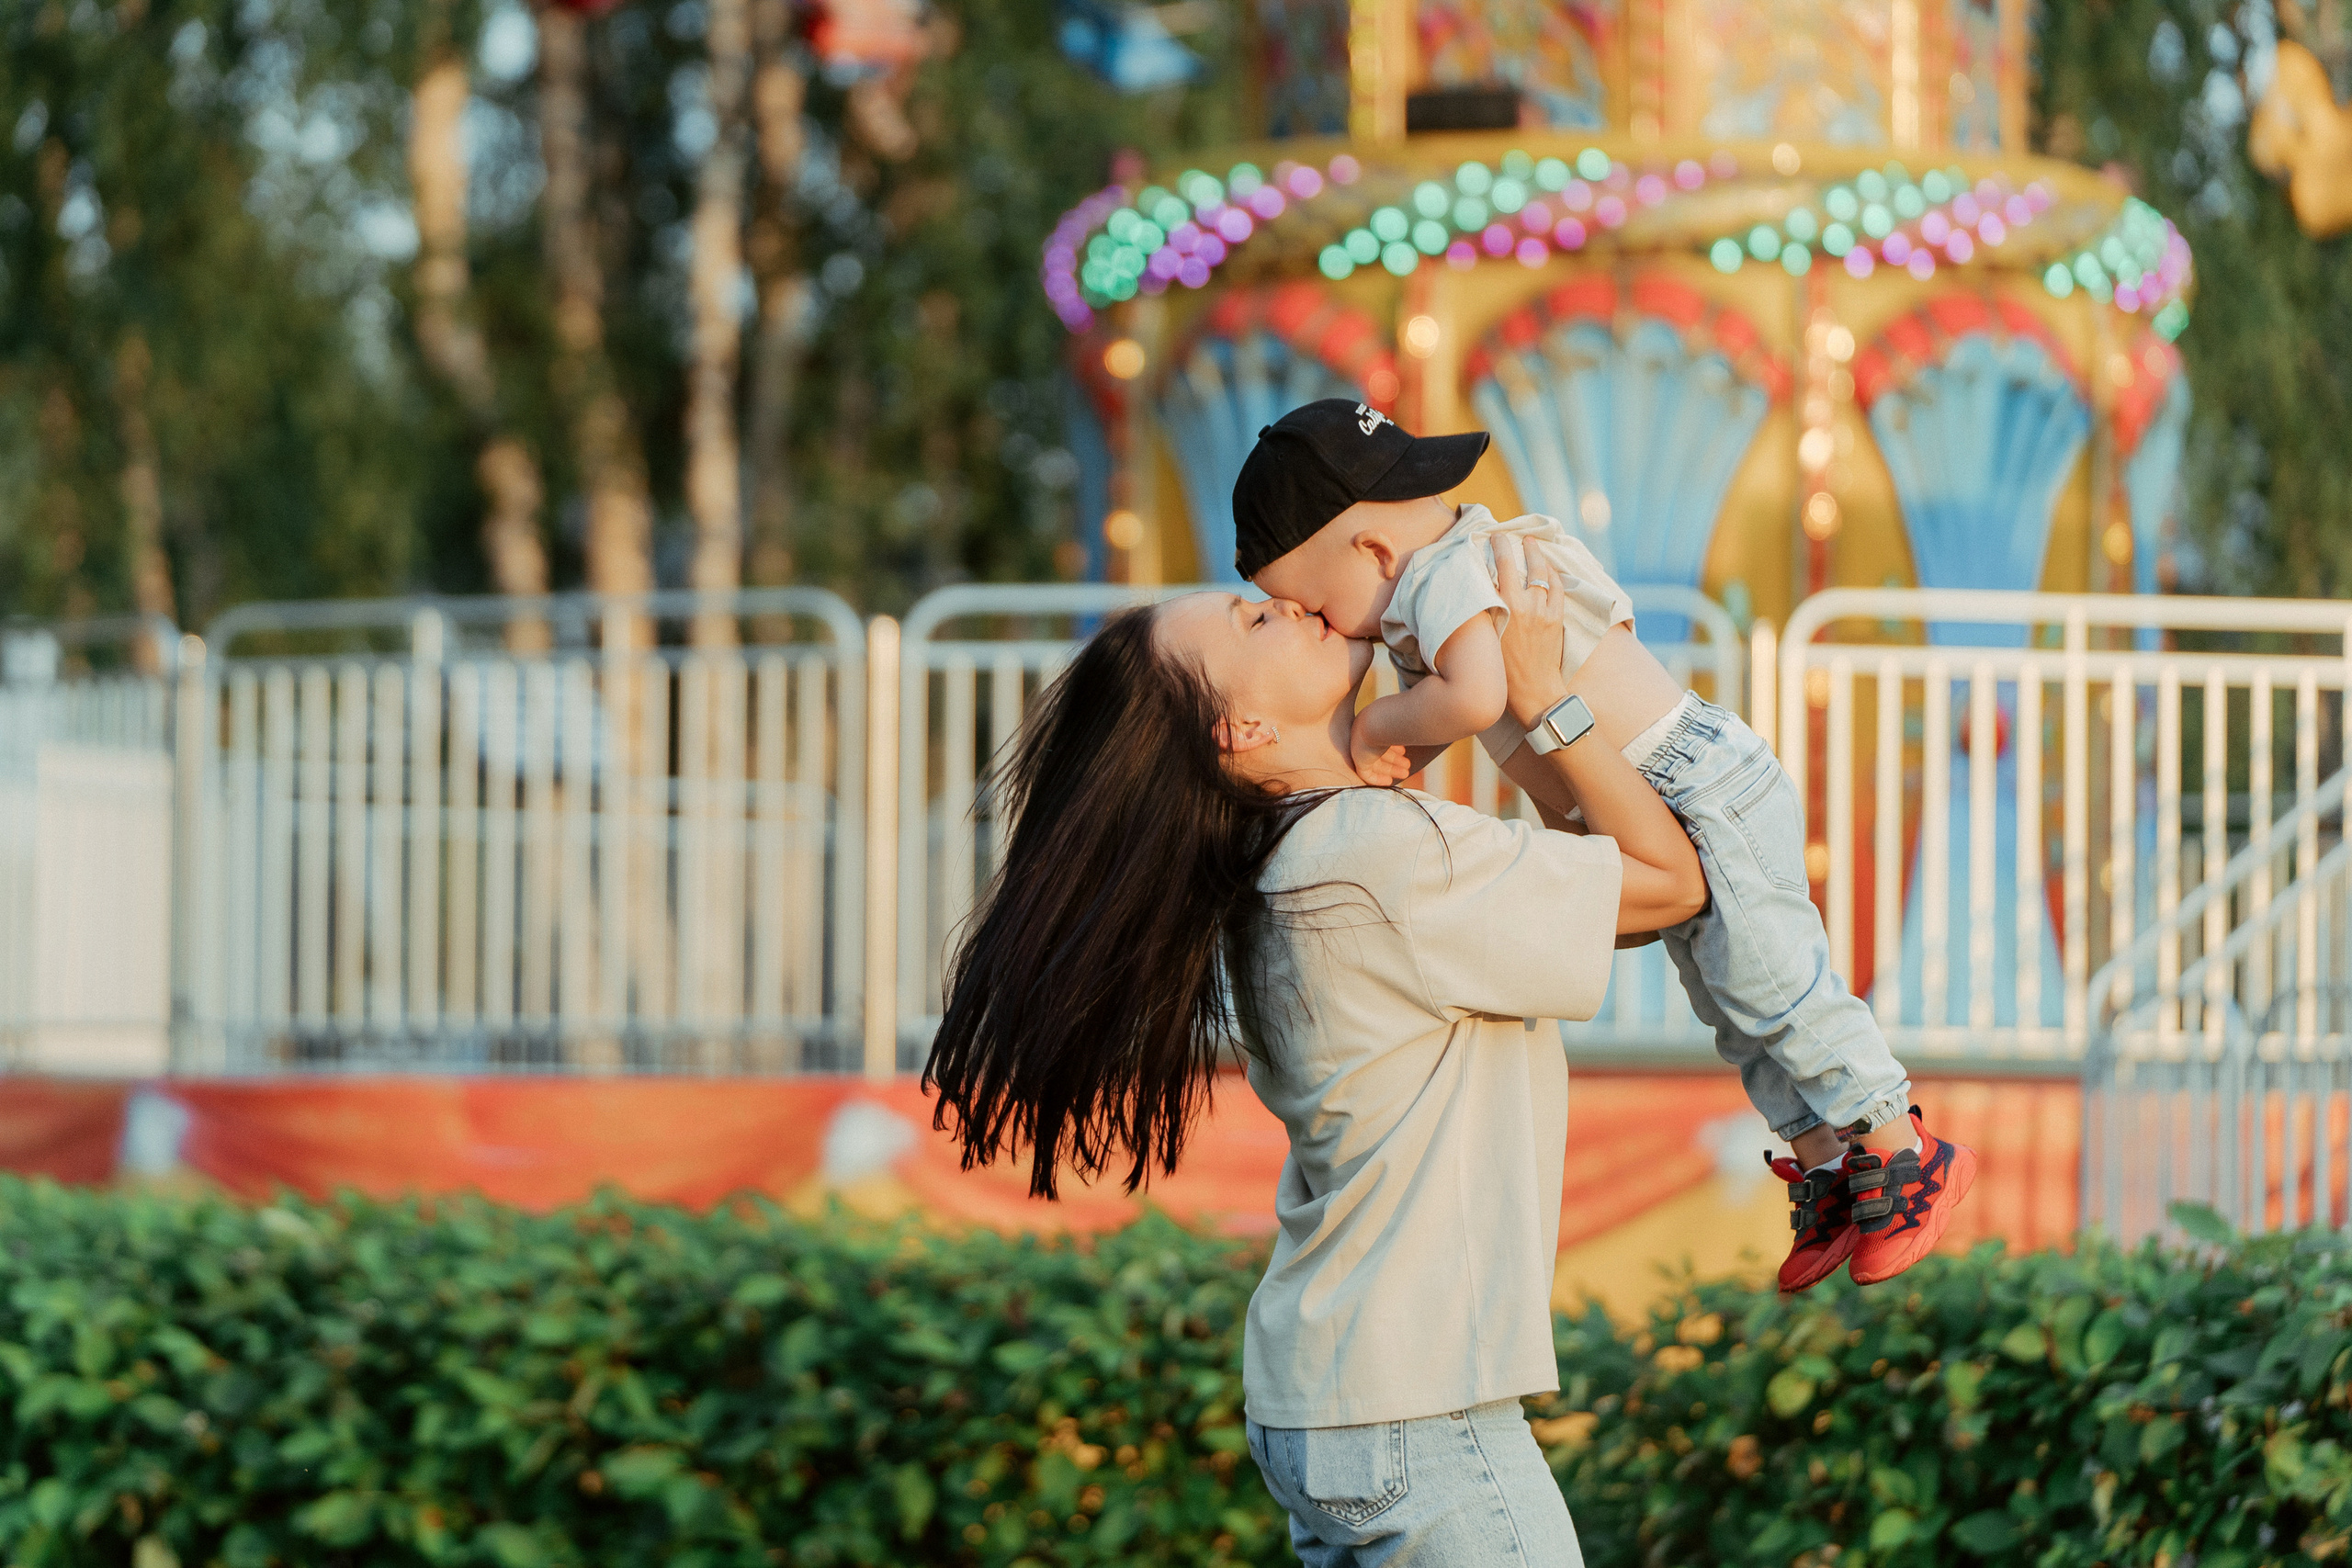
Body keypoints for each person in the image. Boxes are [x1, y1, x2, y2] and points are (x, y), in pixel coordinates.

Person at [926, 540, 1704, 1565]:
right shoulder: (1379, 855)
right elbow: (1668, 884)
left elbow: (1608, 880)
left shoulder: (1301, 856)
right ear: (1241, 729)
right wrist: (1541, 692)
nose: (1283, 606)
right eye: (1252, 622)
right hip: (1419, 1411)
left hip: (1342, 1400)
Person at [1234, 399, 1974, 1292]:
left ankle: (1903, 1147)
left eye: (1311, 603)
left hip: (1695, 777)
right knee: (1732, 1009)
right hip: (1656, 790)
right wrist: (1383, 761)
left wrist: (1370, 732)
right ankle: (1825, 1165)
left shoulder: (1445, 575)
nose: (1328, 626)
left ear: (1370, 551)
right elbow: (1446, 720)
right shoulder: (1430, 593)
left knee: (1775, 981)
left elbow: (1470, 701)